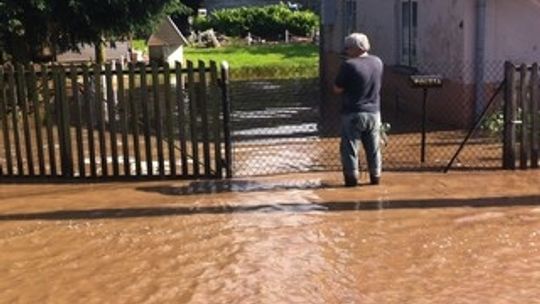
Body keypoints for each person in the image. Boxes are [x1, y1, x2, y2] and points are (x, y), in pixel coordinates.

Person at [333, 33, 383, 187]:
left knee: (350, 148)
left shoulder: (349, 65)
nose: (346, 51)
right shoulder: (378, 62)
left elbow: (337, 88)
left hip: (353, 112)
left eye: (348, 48)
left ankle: (351, 180)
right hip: (374, 113)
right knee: (374, 148)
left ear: (356, 48)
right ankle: (376, 177)